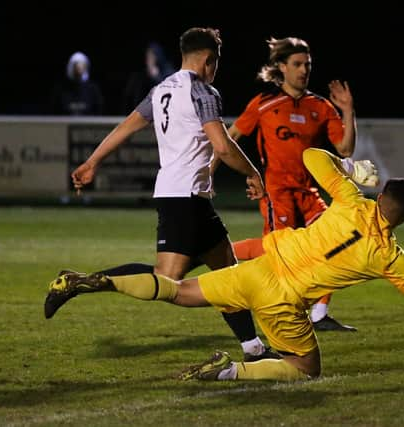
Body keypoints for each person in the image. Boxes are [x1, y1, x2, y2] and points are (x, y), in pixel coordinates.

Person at [44, 147, 404, 382]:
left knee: (177, 289)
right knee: (306, 367)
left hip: (259, 266)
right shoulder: (389, 255)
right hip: (283, 300)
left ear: (380, 194)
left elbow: (311, 156)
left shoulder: (350, 199)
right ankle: (227, 372)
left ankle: (97, 280)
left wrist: (348, 167)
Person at [63, 27, 277, 362]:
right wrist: (252, 173)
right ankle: (84, 281)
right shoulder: (203, 91)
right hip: (186, 197)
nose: (216, 69)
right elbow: (222, 145)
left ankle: (253, 348)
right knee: (166, 280)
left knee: (228, 273)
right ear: (208, 60)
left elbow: (125, 127)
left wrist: (92, 162)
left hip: (184, 195)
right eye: (216, 62)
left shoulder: (162, 89)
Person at [227, 36, 358, 331]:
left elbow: (346, 149)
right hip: (277, 192)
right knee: (280, 255)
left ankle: (320, 314)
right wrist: (249, 173)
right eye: (297, 64)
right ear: (281, 67)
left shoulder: (321, 107)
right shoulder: (264, 104)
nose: (303, 70)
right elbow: (229, 138)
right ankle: (219, 252)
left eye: (307, 65)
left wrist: (348, 110)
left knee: (338, 240)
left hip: (308, 192)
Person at [121, 42, 176, 114]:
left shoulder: (168, 71)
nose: (148, 59)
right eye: (147, 56)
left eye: (151, 56)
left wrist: (156, 77)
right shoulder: (141, 74)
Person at [50, 51, 105, 115]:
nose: (79, 67)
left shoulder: (93, 89)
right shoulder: (61, 89)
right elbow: (54, 110)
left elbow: (99, 110)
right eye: (76, 65)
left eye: (82, 64)